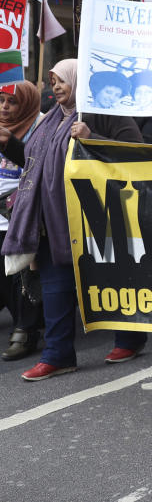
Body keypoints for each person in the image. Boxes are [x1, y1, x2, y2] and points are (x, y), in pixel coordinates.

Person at [1, 60, 148, 380]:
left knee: (109, 282)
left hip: (98, 218)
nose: (55, 86)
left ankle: (130, 338)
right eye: (52, 81)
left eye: (61, 80)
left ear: (79, 81)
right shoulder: (49, 121)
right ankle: (58, 354)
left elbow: (137, 155)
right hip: (51, 222)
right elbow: (33, 164)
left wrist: (91, 136)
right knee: (56, 289)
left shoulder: (104, 112)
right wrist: (9, 145)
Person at [0, 82, 43, 361]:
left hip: (21, 210)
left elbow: (38, 165)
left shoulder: (40, 127)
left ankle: (26, 330)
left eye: (11, 102)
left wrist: (10, 144)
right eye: (0, 101)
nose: (4, 107)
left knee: (22, 275)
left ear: (25, 104)